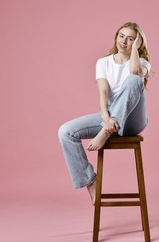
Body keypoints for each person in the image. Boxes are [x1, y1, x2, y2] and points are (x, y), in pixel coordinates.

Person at [58, 22, 152, 204]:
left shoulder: (142, 63)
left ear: (138, 43)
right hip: (111, 118)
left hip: (133, 121)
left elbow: (135, 72)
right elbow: (102, 92)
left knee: (134, 80)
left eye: (131, 39)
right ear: (116, 37)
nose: (124, 41)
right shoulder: (103, 62)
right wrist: (106, 118)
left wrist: (135, 51)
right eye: (121, 36)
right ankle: (90, 181)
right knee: (65, 132)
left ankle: (106, 131)